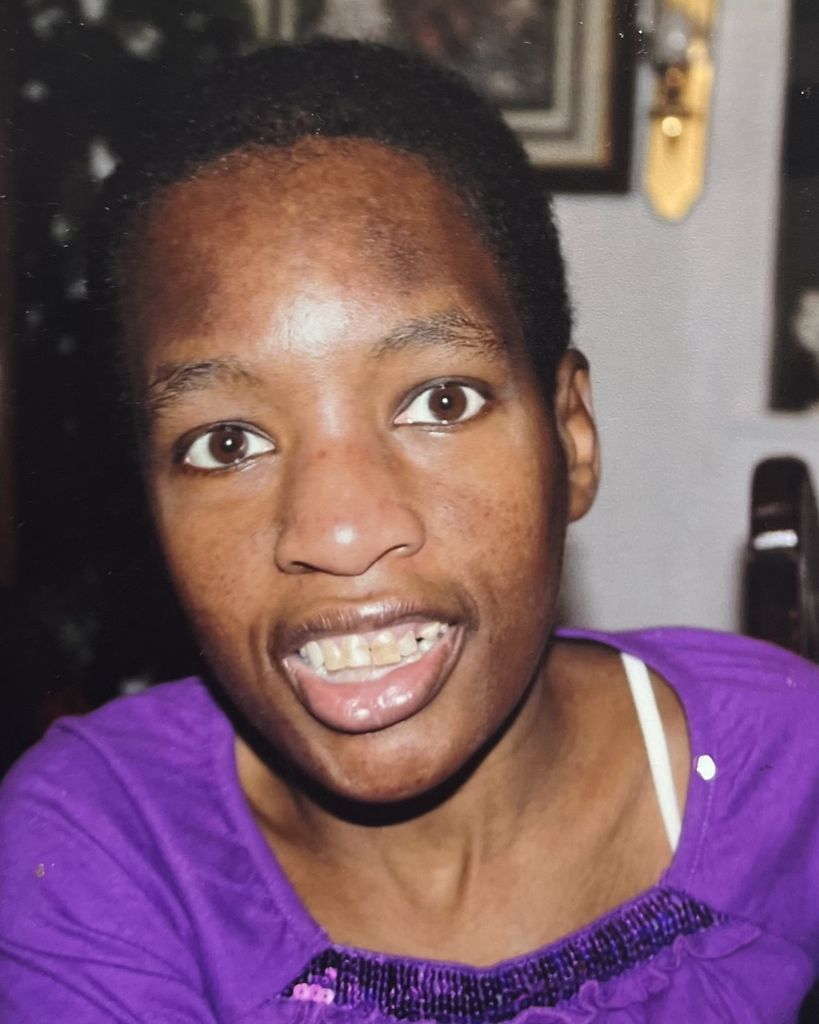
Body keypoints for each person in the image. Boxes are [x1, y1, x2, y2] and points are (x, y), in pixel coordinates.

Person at [1, 38, 819, 1023]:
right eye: (227, 443)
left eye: (440, 401)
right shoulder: (100, 850)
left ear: (571, 438)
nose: (340, 533)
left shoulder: (791, 764)